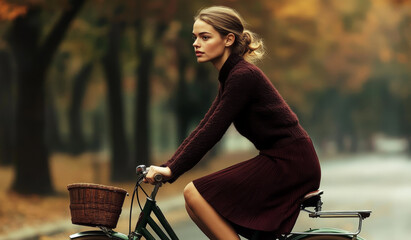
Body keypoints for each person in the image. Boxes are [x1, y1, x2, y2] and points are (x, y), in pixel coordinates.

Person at [145, 6, 321, 240]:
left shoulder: (242, 76)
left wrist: (171, 170)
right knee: (194, 201)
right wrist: (169, 166)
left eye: (205, 37)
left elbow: (212, 132)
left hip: (290, 163)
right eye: (195, 37)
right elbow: (203, 127)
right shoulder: (231, 77)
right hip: (284, 159)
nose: (196, 43)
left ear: (228, 39)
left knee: (194, 193)